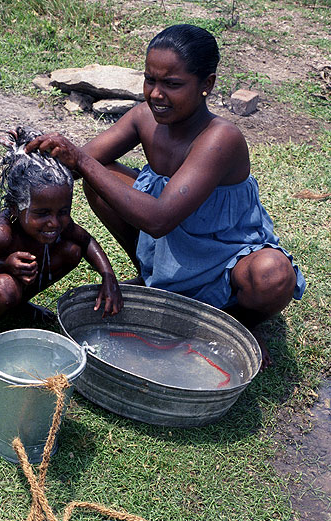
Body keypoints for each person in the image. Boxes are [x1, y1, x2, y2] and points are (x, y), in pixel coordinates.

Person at [25, 25, 306, 370]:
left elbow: (158, 219)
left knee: (273, 276)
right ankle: (151, 278)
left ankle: (233, 325)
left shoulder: (221, 138)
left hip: (223, 252)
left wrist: (80, 159)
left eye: (172, 84)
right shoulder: (145, 118)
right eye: (150, 80)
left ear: (207, 85)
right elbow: (79, 165)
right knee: (102, 181)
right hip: (168, 242)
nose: (156, 94)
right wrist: (29, 156)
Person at [0, 126, 123, 365]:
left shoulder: (56, 222)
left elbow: (85, 241)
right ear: (16, 209)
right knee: (5, 288)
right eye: (42, 213)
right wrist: (3, 265)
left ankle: (17, 305)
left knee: (71, 251)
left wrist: (108, 276)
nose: (54, 222)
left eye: (63, 212)